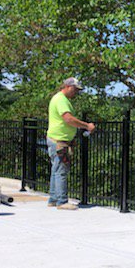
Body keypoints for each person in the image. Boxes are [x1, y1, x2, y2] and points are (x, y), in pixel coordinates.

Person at [47, 78, 95, 209]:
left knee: (56, 169)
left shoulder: (59, 99)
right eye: (75, 89)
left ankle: (53, 199)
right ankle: (62, 202)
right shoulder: (61, 100)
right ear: (68, 86)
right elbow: (68, 119)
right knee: (61, 170)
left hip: (56, 139)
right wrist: (86, 126)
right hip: (59, 141)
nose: (76, 93)